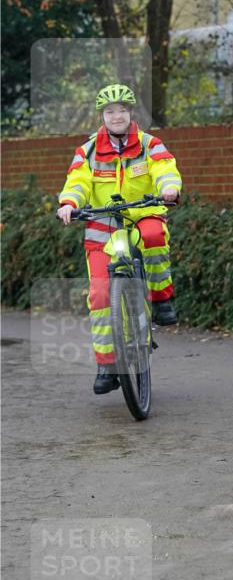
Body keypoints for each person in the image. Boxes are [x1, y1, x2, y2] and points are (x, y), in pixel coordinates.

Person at [57, 84, 182, 395]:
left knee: (154, 235)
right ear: (102, 116)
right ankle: (107, 365)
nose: (116, 116)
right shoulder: (86, 151)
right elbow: (77, 181)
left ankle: (162, 297)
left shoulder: (149, 144)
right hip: (102, 229)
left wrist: (169, 188)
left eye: (122, 110)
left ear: (131, 113)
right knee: (100, 297)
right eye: (110, 111)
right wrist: (69, 203)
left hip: (142, 218)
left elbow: (166, 169)